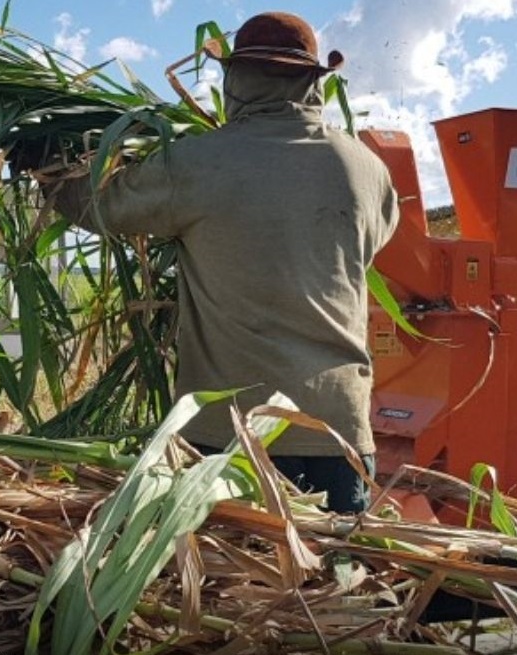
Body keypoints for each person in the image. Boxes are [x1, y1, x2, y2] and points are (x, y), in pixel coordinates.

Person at [51, 12, 399, 513]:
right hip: (339, 433)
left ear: (238, 80)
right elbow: (372, 240)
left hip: (233, 435)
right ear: (311, 82)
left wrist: (48, 171)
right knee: (338, 586)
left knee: (232, 588)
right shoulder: (367, 169)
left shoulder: (199, 162)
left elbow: (102, 207)